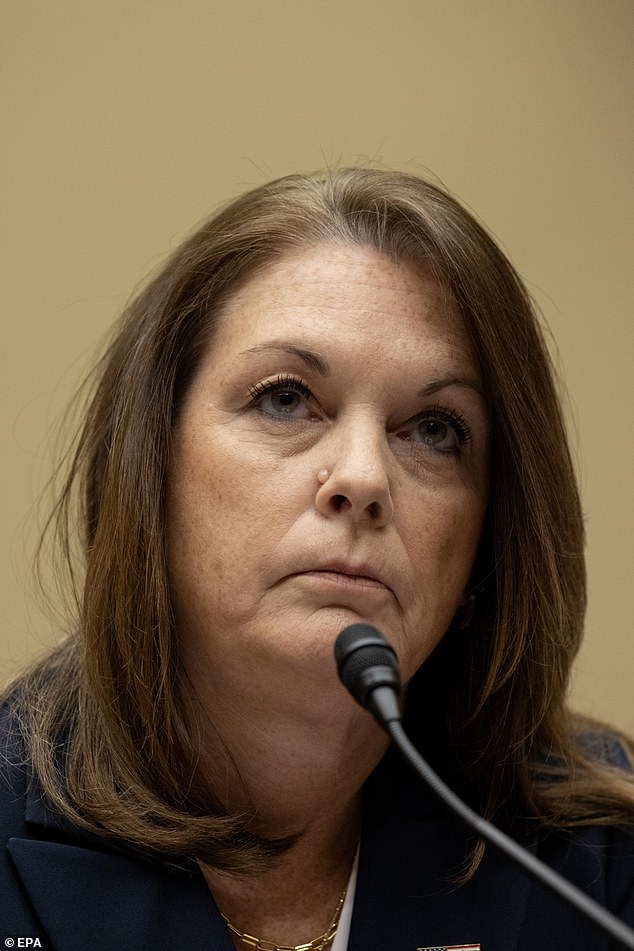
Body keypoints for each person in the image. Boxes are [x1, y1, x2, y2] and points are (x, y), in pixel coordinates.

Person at [1, 167, 633, 951]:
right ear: (151, 473)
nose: (365, 477)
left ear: (485, 544)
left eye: (434, 429)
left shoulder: (599, 865)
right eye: (285, 397)